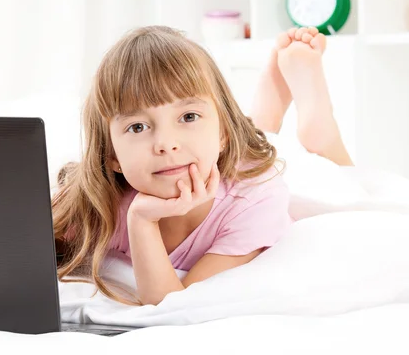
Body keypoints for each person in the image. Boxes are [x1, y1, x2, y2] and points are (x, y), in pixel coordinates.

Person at [52, 25, 353, 306]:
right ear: (112, 156)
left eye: (188, 117)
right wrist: (140, 217)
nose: (166, 143)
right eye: (138, 127)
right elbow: (20, 241)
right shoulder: (98, 201)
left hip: (245, 170)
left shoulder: (254, 200)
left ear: (222, 133)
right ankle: (265, 112)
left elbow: (171, 306)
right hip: (214, 148)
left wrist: (142, 224)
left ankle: (317, 127)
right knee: (250, 135)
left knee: (338, 183)